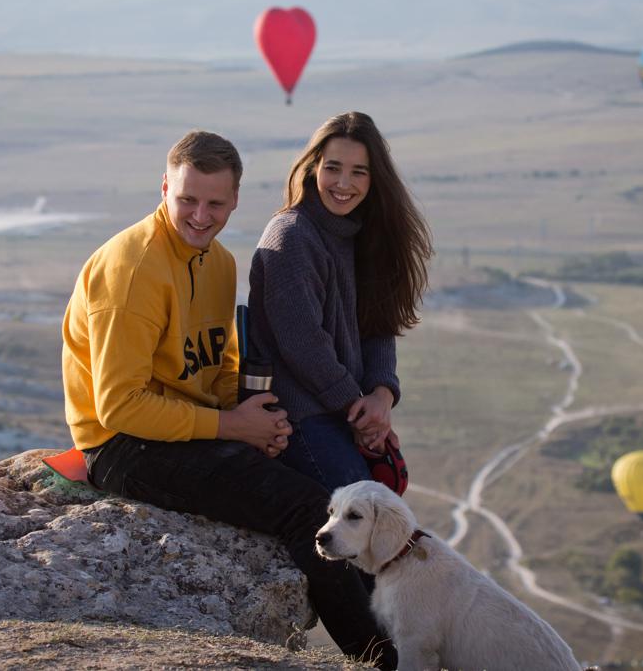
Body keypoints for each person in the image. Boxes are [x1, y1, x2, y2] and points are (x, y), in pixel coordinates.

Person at [61, 130, 396, 669]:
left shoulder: (217, 262)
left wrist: (252, 420)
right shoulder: (134, 270)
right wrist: (229, 428)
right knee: (309, 511)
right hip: (126, 446)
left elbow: (217, 365)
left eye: (215, 203)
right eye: (187, 199)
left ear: (236, 199)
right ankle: (383, 660)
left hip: (191, 432)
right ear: (164, 186)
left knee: (311, 487)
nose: (200, 215)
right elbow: (119, 407)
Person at [247, 112, 433, 492]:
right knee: (360, 515)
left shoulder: (362, 235)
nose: (344, 184)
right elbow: (302, 343)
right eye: (333, 168)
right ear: (313, 167)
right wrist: (359, 411)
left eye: (359, 172)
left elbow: (379, 323)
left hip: (339, 410)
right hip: (296, 416)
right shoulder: (292, 237)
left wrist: (381, 395)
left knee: (381, 507)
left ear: (375, 178)